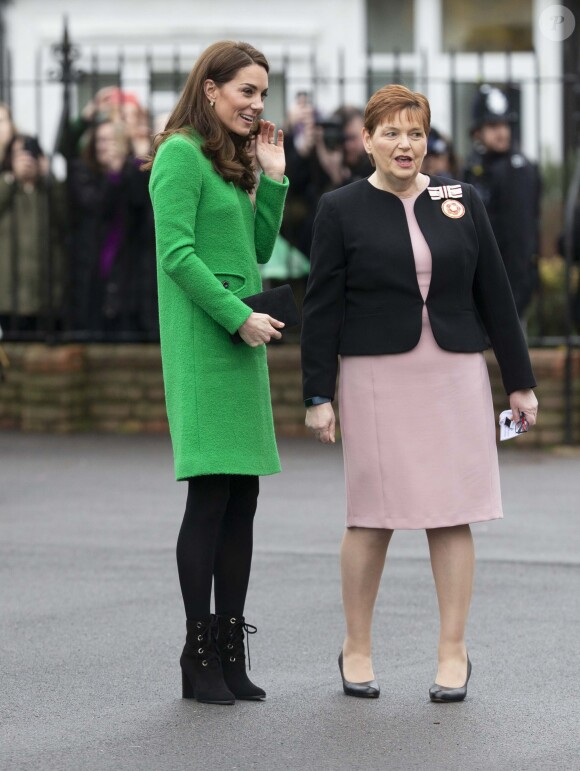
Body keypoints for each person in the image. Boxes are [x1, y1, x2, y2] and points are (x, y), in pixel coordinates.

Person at [301, 84, 538, 703]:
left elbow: (497, 294)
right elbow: (323, 306)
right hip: (376, 376)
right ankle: (357, 647)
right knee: (371, 517)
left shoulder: (463, 199)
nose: (405, 145)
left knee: (451, 513)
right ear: (368, 141)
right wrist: (317, 394)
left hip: (454, 373)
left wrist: (521, 382)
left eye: (416, 133)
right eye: (392, 133)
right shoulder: (340, 208)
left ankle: (453, 653)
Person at [146, 41, 288, 705]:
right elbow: (177, 255)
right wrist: (237, 316)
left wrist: (273, 176)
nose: (257, 104)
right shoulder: (177, 154)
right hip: (211, 344)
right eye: (246, 91)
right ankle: (197, 649)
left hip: (242, 340)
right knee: (209, 499)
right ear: (210, 88)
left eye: (263, 93)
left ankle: (230, 649)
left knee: (243, 501)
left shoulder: (230, 160)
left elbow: (258, 249)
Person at [68, 118, 156, 337]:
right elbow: (97, 206)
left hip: (129, 261)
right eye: (99, 140)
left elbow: (140, 202)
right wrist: (114, 174)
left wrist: (129, 165)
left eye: (109, 139)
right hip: (93, 258)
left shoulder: (133, 170)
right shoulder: (84, 171)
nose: (103, 145)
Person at [463, 84, 541, 319]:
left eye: (505, 124)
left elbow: (521, 239)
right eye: (493, 125)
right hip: (481, 285)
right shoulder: (475, 166)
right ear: (477, 132)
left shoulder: (517, 169)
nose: (502, 133)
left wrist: (514, 297)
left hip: (507, 287)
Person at [0, 134, 65, 333]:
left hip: (46, 294)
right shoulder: (6, 187)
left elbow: (66, 220)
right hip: (8, 296)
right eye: (19, 154)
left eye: (30, 154)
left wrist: (50, 177)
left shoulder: (49, 190)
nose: (26, 160)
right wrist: (11, 179)